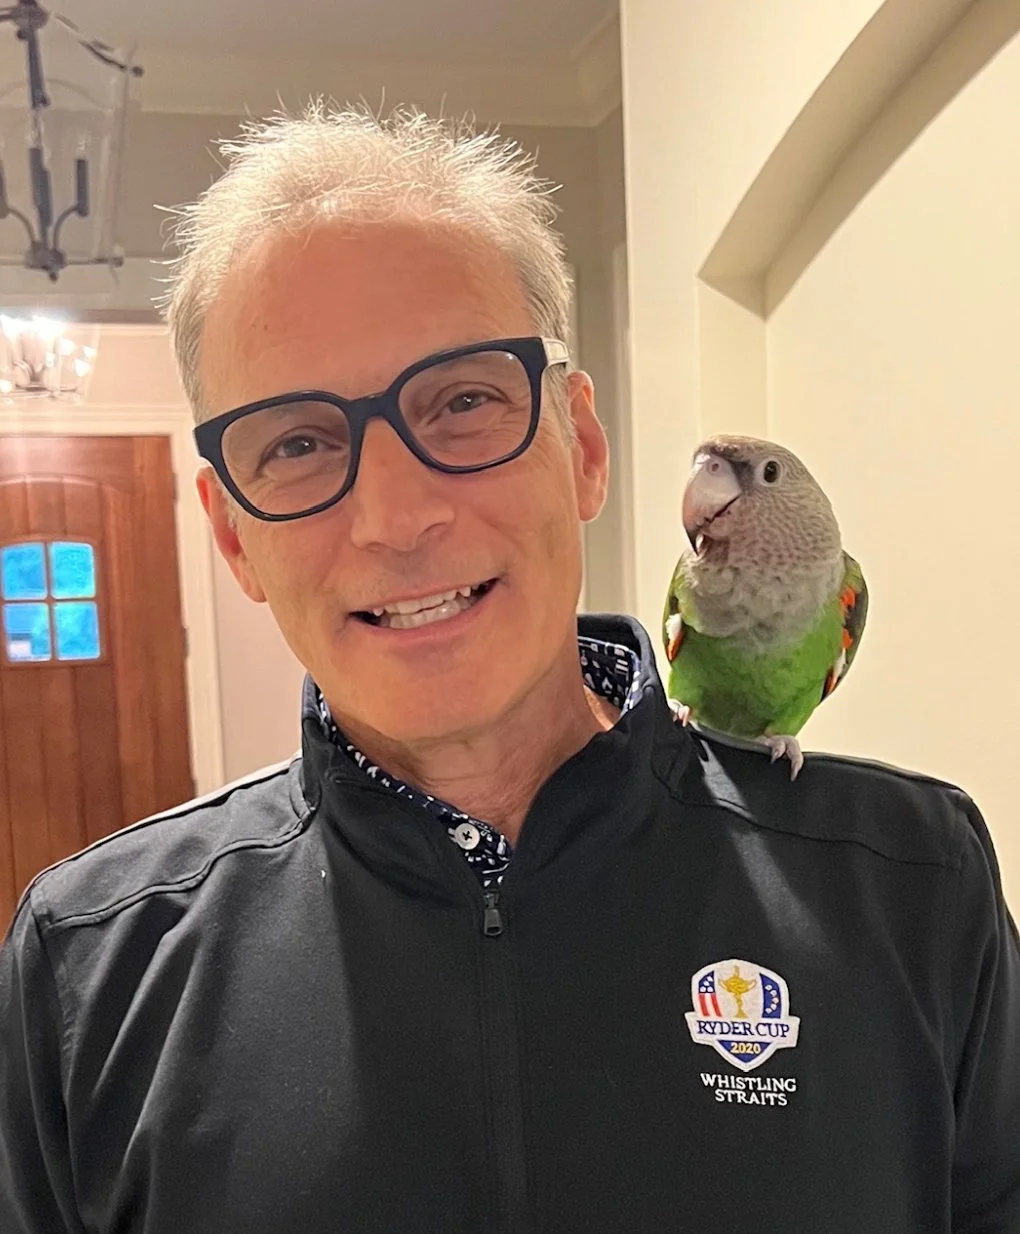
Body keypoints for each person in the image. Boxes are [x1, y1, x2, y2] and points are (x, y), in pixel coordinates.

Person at [0, 104, 1017, 1234]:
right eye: (297, 442)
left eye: (466, 400)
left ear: (580, 446)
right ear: (234, 537)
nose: (395, 515)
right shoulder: (88, 969)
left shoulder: (911, 886)